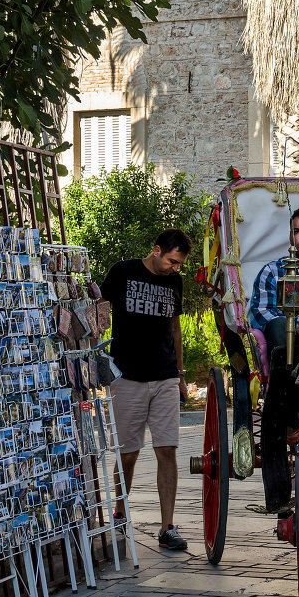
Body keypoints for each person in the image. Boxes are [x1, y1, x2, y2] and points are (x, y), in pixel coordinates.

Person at [101, 229, 191, 551]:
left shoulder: (175, 282)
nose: (174, 268)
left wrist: (180, 373)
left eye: (179, 264)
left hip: (165, 376)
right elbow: (98, 309)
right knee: (128, 453)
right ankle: (121, 511)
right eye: (171, 261)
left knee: (167, 449)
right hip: (127, 377)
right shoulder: (122, 272)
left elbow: (175, 326)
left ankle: (168, 527)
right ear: (156, 250)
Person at [249, 208, 299, 513]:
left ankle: (287, 410)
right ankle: (287, 409)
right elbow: (261, 313)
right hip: (286, 349)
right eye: (297, 231)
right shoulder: (271, 271)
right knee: (281, 328)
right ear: (290, 236)